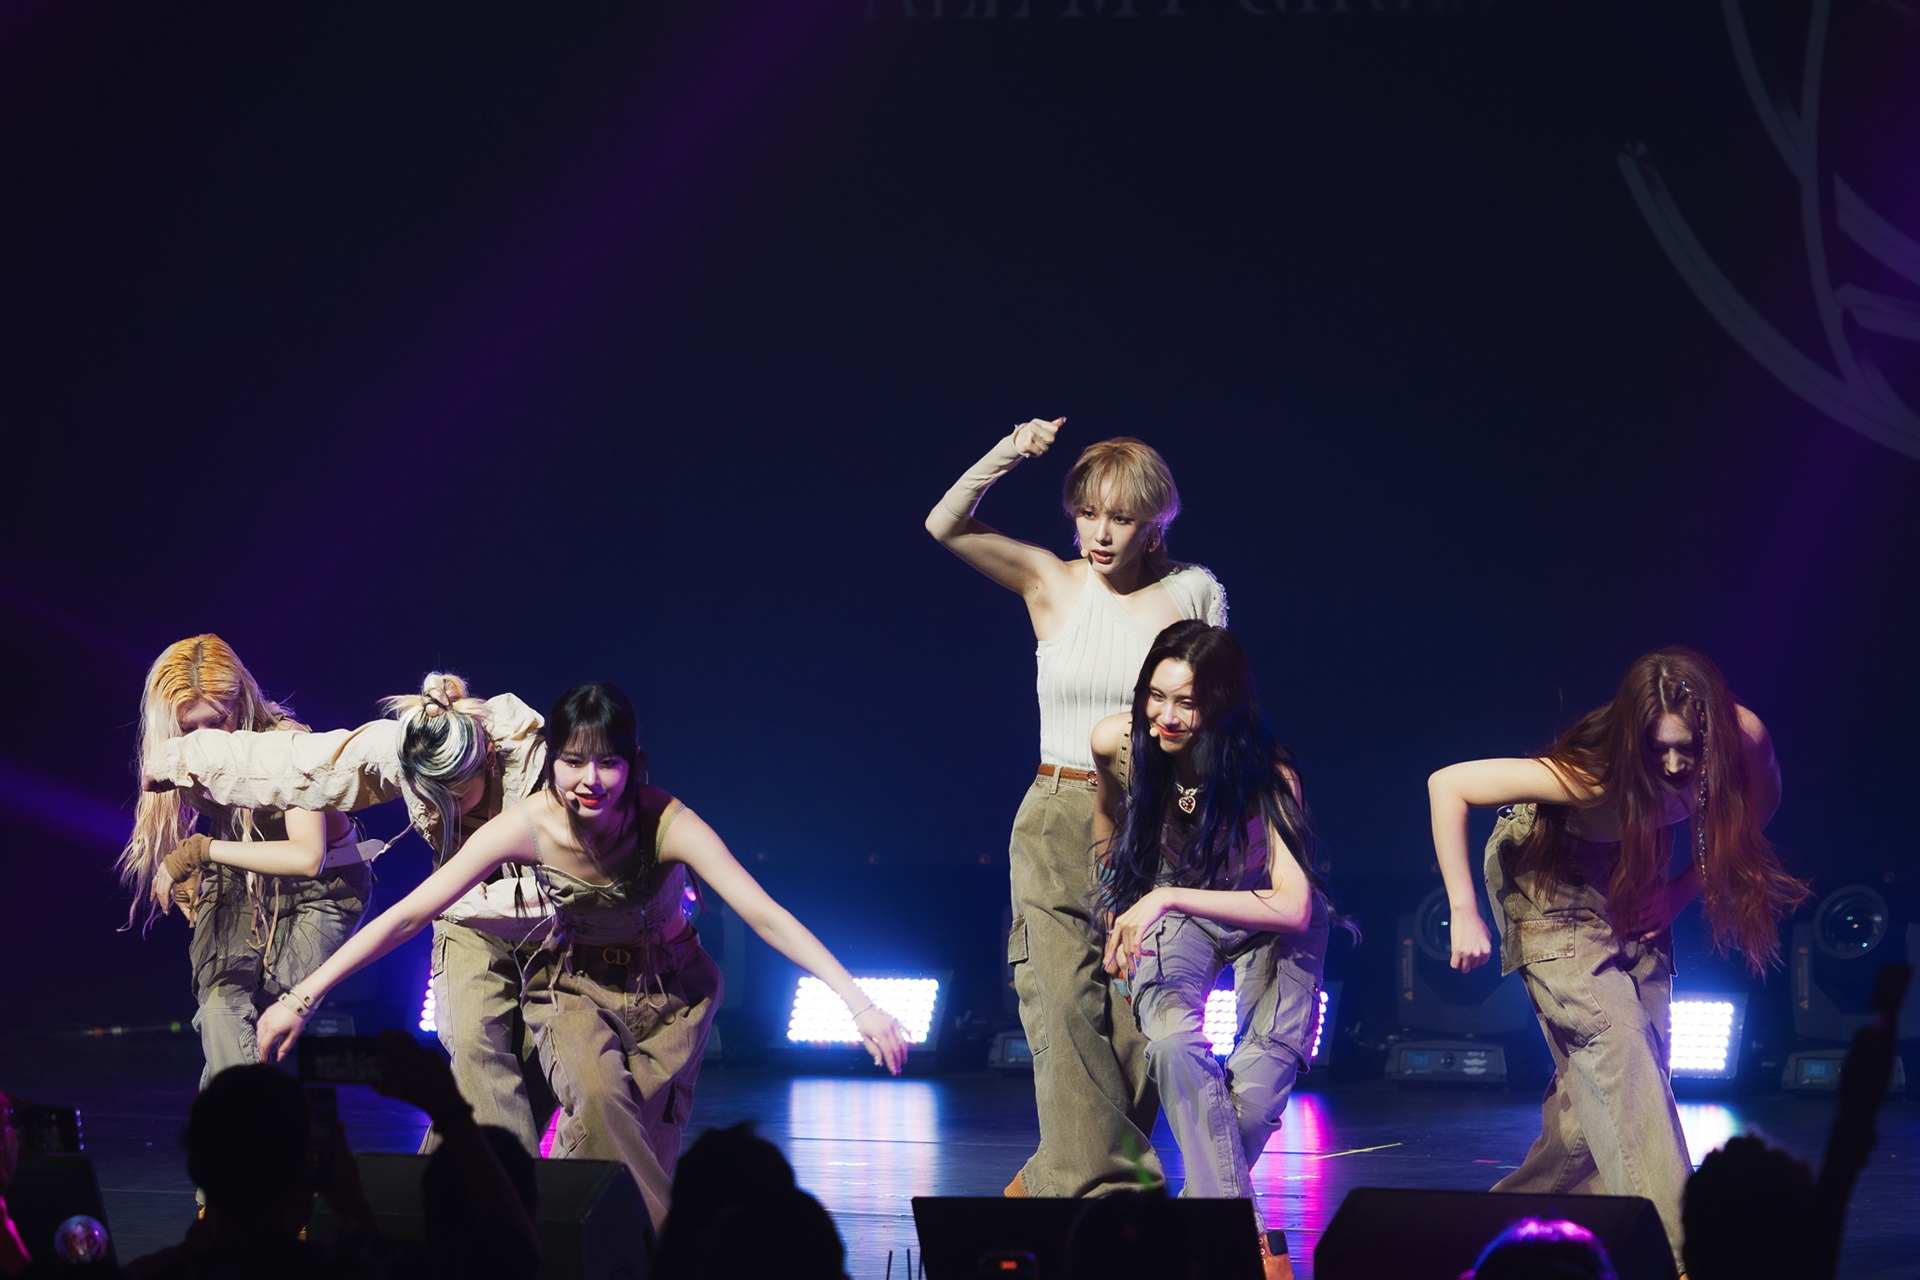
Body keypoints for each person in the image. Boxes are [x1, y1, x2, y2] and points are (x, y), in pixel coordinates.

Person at [255, 682, 911, 1230]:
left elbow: (764, 914)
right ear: (553, 762)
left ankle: (585, 1243)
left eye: (608, 763)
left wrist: (860, 1005)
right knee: (598, 1102)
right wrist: (299, 998)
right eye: (573, 762)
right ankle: (652, 1257)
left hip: (670, 994)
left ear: (633, 762)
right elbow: (410, 913)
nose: (589, 780)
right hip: (575, 987)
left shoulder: (667, 823)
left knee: (632, 1148)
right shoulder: (530, 824)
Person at [1428, 647, 1811, 1270]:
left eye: (1688, 748)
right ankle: (1686, 1259)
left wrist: (1681, 890)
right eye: (1657, 750)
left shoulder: (1743, 734)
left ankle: (1480, 1244)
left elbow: (1760, 801)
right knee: (1620, 1049)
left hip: (1636, 864)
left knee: (1614, 1088)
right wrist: (1464, 910)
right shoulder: (1590, 773)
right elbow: (1447, 784)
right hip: (1548, 875)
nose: (1674, 764)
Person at [927, 420, 1226, 1199]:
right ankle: (1114, 1193)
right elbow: (945, 524)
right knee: (1060, 1003)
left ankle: (1048, 1183)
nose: (1100, 532)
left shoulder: (1193, 592)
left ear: (1154, 522)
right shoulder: (1050, 582)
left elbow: (1211, 713)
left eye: (1120, 517)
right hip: (1057, 813)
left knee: (1138, 1024)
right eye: (1087, 513)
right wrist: (1010, 450)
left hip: (1155, 821)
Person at [142, 672, 558, 1155]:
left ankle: (475, 1182)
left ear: (487, 761)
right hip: (463, 915)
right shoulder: (401, 747)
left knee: (549, 1069)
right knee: (474, 1048)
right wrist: (175, 757)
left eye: (457, 796)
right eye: (430, 796)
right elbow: (296, 764)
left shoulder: (545, 791)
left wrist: (301, 996)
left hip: (549, 924)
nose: (444, 809)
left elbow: (400, 911)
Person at [1095, 622, 1345, 1280]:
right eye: (1156, 696)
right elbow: (1106, 806)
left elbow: (1292, 905)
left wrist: (1163, 897)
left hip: (1269, 920)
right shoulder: (1128, 745)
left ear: (1223, 705)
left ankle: (1196, 1235)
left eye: (1187, 702)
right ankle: (1243, 1246)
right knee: (1174, 1044)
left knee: (1255, 1104)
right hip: (1179, 913)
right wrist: (1117, 900)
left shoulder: (1270, 774)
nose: (1166, 717)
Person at [118, 636, 369, 1090]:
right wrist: (193, 869)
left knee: (258, 1016)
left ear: (242, 702)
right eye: (188, 728)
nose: (204, 739)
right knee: (220, 1010)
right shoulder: (176, 747)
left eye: (217, 722)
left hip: (322, 890)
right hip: (244, 882)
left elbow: (308, 856)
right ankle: (238, 1125)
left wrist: (200, 852)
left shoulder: (285, 746)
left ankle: (235, 1123)